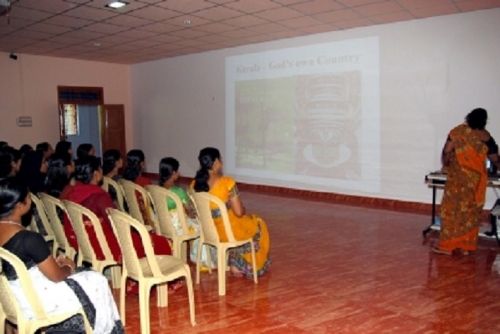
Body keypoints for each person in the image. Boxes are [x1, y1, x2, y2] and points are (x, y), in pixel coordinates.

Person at [0, 177, 124, 333]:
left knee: (88, 276)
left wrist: (50, 262)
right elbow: (57, 276)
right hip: (35, 301)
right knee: (97, 280)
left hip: (12, 297)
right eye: (28, 196)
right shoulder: (28, 238)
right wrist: (68, 266)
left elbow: (19, 265)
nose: (31, 199)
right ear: (19, 206)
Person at [60, 156, 172, 263]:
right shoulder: (99, 197)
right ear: (95, 174)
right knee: (161, 242)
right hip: (104, 246)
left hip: (81, 242)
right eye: (100, 169)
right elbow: (115, 224)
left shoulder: (71, 191)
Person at [193, 147, 271, 278]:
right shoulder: (227, 182)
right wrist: (239, 208)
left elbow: (193, 210)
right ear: (216, 162)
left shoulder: (193, 184)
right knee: (258, 223)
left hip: (209, 231)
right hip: (228, 231)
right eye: (221, 159)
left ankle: (235, 264)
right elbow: (239, 212)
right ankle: (245, 266)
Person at [434, 108, 496, 255]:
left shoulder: (458, 132)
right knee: (471, 213)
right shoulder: (486, 137)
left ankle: (447, 247)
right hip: (476, 182)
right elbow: (494, 158)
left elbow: (447, 151)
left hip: (458, 181)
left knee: (451, 211)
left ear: (468, 118)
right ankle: (466, 247)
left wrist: (446, 164)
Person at [159, 157, 216, 268]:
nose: (179, 173)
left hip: (162, 225)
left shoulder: (155, 189)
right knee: (202, 226)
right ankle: (202, 259)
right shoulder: (178, 192)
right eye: (178, 171)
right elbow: (189, 212)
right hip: (178, 227)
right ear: (174, 173)